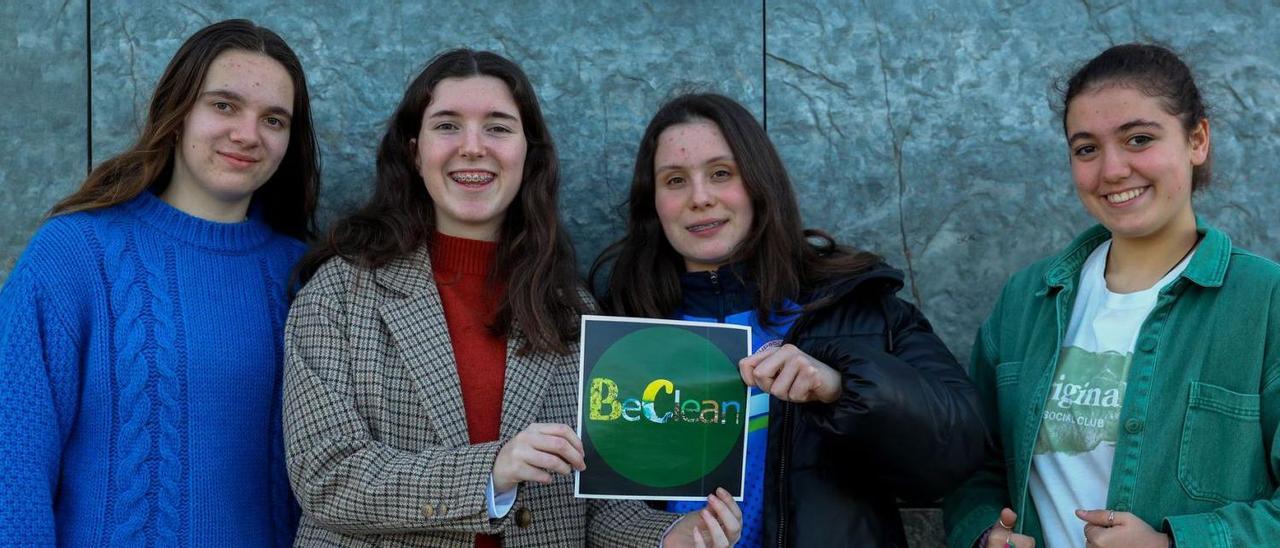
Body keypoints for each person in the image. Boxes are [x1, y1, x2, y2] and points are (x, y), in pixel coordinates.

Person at [284, 49, 740, 547]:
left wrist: (673, 534)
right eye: (447, 126)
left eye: (498, 128)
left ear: (529, 154)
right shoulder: (340, 294)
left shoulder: (573, 308)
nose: (474, 147)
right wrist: (492, 469)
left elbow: (597, 507)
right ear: (415, 153)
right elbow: (326, 476)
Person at [590, 93, 987, 547]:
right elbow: (592, 507)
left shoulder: (851, 305)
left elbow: (962, 448)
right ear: (653, 202)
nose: (699, 198)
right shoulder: (619, 326)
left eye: (722, 173)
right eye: (675, 180)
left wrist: (843, 387)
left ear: (760, 184)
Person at [944, 43, 1280, 548]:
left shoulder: (1266, 303)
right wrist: (985, 533)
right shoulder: (1026, 301)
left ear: (1197, 140)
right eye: (1086, 149)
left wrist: (1175, 544)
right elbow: (973, 464)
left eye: (1139, 139)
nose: (1113, 170)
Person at [0, 19, 319, 546]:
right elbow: (11, 462)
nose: (247, 134)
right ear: (177, 112)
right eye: (223, 105)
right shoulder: (76, 253)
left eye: (274, 119)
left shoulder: (307, 277)